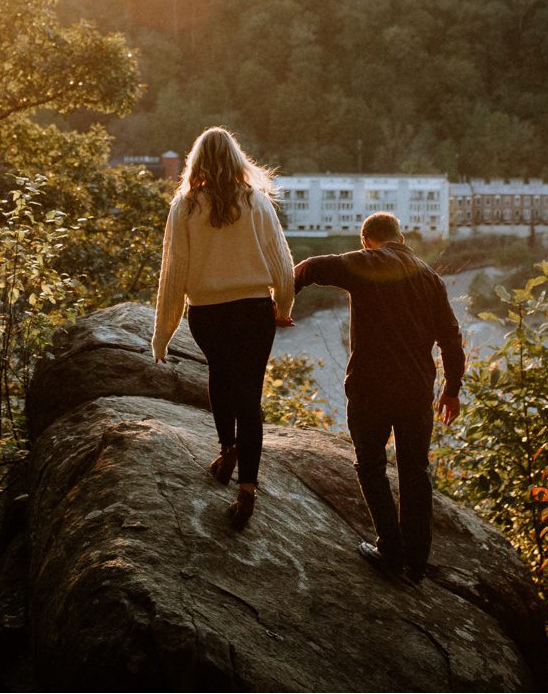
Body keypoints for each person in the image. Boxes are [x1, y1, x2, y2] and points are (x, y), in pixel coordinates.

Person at [294, 211, 464, 584]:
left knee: (370, 466)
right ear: (400, 238)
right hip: (417, 390)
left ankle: (390, 548)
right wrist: (452, 388)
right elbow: (451, 338)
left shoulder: (365, 262)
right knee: (414, 472)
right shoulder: (430, 278)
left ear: (366, 240)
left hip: (370, 386)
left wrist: (280, 305)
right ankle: (416, 563)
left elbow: (307, 268)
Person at [153, 126, 297, 531]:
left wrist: (162, 334)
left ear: (194, 161)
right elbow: (282, 265)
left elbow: (173, 273)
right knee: (250, 396)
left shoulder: (183, 207)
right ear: (237, 159)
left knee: (219, 374)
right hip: (253, 310)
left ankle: (227, 449)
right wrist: (282, 306)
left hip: (208, 312)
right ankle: (248, 489)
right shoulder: (256, 202)